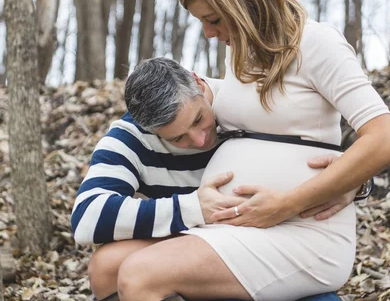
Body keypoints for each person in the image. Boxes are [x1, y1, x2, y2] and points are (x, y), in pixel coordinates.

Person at [110, 0, 390, 301]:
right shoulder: (239, 59)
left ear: (244, 0)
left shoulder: (316, 44)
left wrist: (291, 202)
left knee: (141, 274)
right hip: (242, 226)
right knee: (109, 264)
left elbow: (385, 140)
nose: (209, 34)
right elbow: (193, 100)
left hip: (301, 232)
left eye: (213, 19)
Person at [72, 59, 364, 301]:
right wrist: (193, 208)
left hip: (274, 233)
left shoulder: (241, 105)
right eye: (178, 138)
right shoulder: (131, 137)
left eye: (199, 119)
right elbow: (87, 218)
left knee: (141, 272)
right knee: (105, 266)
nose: (200, 140)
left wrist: (355, 182)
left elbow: (319, 147)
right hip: (199, 235)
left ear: (198, 83)